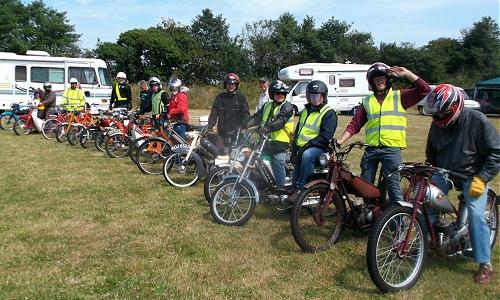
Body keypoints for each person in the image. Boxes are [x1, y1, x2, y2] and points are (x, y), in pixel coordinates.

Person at [425, 84, 499, 285]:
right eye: (436, 114)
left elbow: (496, 152)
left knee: (476, 215)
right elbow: (431, 151)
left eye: (442, 114)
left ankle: (485, 264)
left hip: (472, 175)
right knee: (425, 198)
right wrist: (429, 170)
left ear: (455, 107)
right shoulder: (437, 123)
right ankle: (430, 240)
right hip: (444, 172)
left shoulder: (477, 120)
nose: (438, 118)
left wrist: (482, 177)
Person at [336, 63, 431, 204]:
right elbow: (355, 124)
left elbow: (425, 90)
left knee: (393, 186)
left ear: (388, 79)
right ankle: (368, 213)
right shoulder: (367, 101)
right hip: (371, 149)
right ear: (371, 82)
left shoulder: (399, 97)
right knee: (365, 184)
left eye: (382, 78)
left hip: (391, 149)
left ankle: (397, 220)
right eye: (376, 79)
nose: (379, 81)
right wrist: (340, 140)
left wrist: (407, 74)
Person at [242, 80, 294, 188]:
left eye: (283, 93)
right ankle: (258, 184)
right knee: (253, 158)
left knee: (277, 162)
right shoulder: (267, 105)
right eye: (277, 93)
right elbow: (256, 117)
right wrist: (244, 125)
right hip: (266, 141)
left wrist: (265, 128)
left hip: (281, 143)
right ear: (272, 94)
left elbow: (280, 121)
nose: (280, 95)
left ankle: (281, 189)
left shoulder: (287, 106)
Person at [291, 80, 337, 190]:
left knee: (307, 155)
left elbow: (325, 137)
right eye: (312, 95)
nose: (315, 98)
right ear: (308, 96)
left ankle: (303, 188)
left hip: (318, 149)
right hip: (302, 148)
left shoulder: (328, 113)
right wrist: (294, 150)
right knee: (295, 175)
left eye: (318, 95)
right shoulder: (305, 111)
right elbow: (298, 131)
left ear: (323, 96)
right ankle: (294, 189)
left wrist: (306, 146)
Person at [206, 72, 250, 143]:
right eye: (229, 84)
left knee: (235, 152)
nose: (231, 86)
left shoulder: (241, 98)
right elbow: (214, 113)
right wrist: (209, 125)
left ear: (236, 85)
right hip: (222, 132)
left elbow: (246, 114)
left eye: (233, 84)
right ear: (225, 85)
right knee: (221, 152)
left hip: (237, 133)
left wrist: (245, 126)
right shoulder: (220, 97)